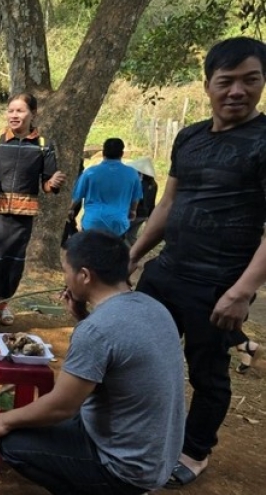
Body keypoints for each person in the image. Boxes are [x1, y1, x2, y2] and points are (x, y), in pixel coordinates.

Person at [129, 37, 266, 488]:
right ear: (207, 85)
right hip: (166, 273)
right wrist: (130, 256)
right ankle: (139, 434)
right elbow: (166, 207)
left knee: (207, 374)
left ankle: (194, 450)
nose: (237, 92)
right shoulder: (188, 138)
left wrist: (241, 292)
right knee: (140, 354)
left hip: (219, 285)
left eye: (251, 80)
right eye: (226, 81)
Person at [0, 230, 185, 495]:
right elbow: (117, 351)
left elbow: (62, 407)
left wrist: (4, 420)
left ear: (85, 276)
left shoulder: (96, 331)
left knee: (12, 441)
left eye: (67, 270)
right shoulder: (152, 306)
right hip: (157, 458)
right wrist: (83, 317)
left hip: (124, 469)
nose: (64, 278)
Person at [0, 92, 67, 325]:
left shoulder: (43, 146)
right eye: (11, 110)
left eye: (20, 111)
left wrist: (53, 182)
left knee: (13, 263)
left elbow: (47, 185)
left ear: (33, 114)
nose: (14, 115)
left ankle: (2, 305)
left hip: (23, 218)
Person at [69, 138, 142, 237]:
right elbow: (135, 199)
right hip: (118, 224)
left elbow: (77, 197)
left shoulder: (90, 172)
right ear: (122, 153)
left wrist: (71, 209)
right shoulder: (132, 174)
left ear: (103, 153)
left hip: (92, 222)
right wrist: (133, 211)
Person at [122, 158, 158, 246]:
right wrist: (149, 217)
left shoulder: (137, 183)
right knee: (132, 236)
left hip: (134, 213)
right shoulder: (154, 184)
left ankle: (129, 254)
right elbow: (152, 202)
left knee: (122, 236)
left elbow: (136, 199)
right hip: (144, 215)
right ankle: (134, 254)